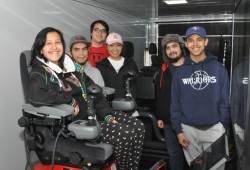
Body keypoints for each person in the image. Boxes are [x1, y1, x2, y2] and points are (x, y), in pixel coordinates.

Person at [29, 27, 145, 170]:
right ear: (41, 49)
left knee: (138, 127)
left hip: (93, 113)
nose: (54, 47)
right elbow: (36, 94)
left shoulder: (72, 68)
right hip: (73, 124)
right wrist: (69, 100)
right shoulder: (40, 71)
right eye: (48, 43)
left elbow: (94, 90)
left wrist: (107, 115)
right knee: (125, 133)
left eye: (57, 42)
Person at [170, 26, 230, 169]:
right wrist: (178, 131)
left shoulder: (218, 68)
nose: (195, 43)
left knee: (216, 167)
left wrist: (222, 125)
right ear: (186, 44)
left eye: (199, 39)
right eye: (190, 40)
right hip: (188, 131)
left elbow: (225, 100)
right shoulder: (180, 72)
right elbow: (175, 104)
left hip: (214, 129)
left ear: (206, 42)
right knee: (196, 168)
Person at [156, 34, 186, 170]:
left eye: (174, 46)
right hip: (169, 123)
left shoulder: (192, 68)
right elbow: (160, 95)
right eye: (167, 47)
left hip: (189, 122)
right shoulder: (162, 71)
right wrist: (159, 116)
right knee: (174, 155)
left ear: (181, 47)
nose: (171, 50)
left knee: (194, 156)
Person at [96, 32, 139, 99]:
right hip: (108, 106)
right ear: (106, 47)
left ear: (122, 46)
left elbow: (135, 87)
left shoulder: (130, 63)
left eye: (118, 45)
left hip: (127, 105)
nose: (115, 49)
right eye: (111, 45)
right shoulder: (101, 65)